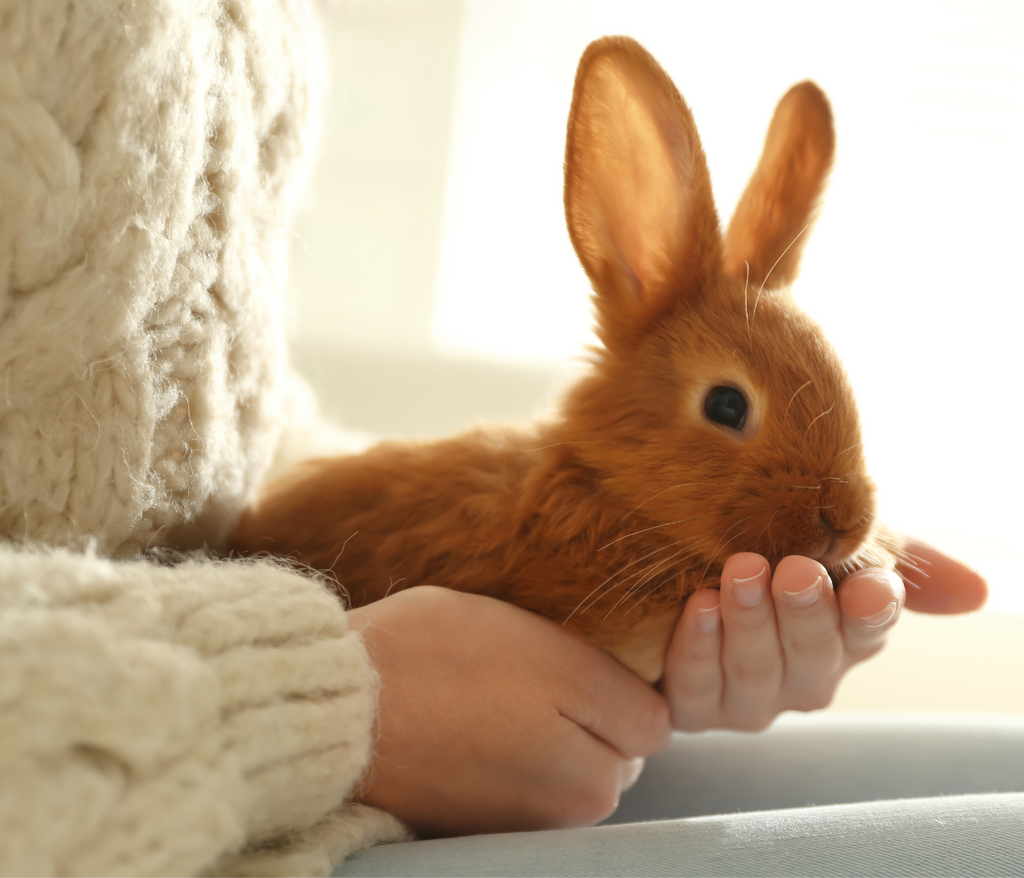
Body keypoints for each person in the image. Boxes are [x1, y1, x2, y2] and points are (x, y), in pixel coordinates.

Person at [0, 1, 993, 876]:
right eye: (727, 411)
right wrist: (352, 703)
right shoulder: (573, 524)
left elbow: (176, 414)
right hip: (185, 789)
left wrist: (786, 590)